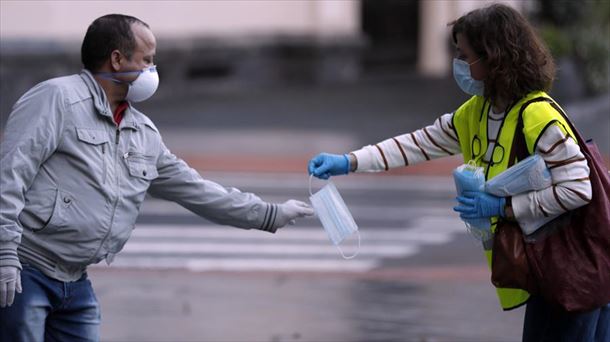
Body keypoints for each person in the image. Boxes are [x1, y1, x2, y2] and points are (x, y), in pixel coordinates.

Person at [0, 14, 314, 341]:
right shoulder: (56, 99)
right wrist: (5, 254)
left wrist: (270, 214)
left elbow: (195, 190)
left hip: (75, 283)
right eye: (147, 60)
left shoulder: (141, 132)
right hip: (26, 273)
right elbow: (11, 174)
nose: (153, 71)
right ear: (117, 60)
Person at [308, 4, 608, 341]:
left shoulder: (538, 116)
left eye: (465, 55)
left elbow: (579, 190)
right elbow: (417, 143)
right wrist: (348, 161)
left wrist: (503, 209)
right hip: (554, 273)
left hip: (575, 274)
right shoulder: (477, 112)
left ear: (493, 58)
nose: (459, 64)